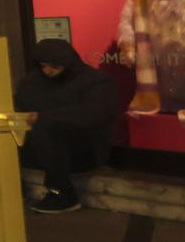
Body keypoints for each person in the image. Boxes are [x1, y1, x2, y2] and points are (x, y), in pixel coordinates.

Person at [14, 37, 122, 214]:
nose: (48, 71)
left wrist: (45, 117)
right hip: (39, 147)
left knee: (48, 126)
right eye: (44, 66)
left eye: (54, 67)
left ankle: (62, 193)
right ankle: (14, 186)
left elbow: (95, 113)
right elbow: (21, 103)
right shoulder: (33, 81)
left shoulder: (95, 81)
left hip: (83, 147)